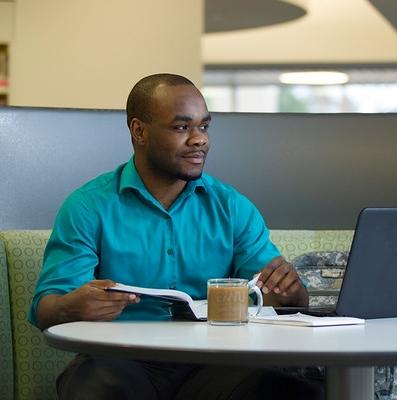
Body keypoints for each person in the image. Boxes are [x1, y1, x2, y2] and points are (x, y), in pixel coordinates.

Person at [29, 73, 323, 400]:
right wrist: (72, 307)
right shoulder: (88, 206)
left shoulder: (232, 206)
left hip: (215, 363)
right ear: (139, 131)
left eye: (205, 127)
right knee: (97, 385)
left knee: (287, 389)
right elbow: (47, 308)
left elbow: (278, 298)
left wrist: (291, 293)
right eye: (182, 128)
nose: (199, 140)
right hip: (120, 360)